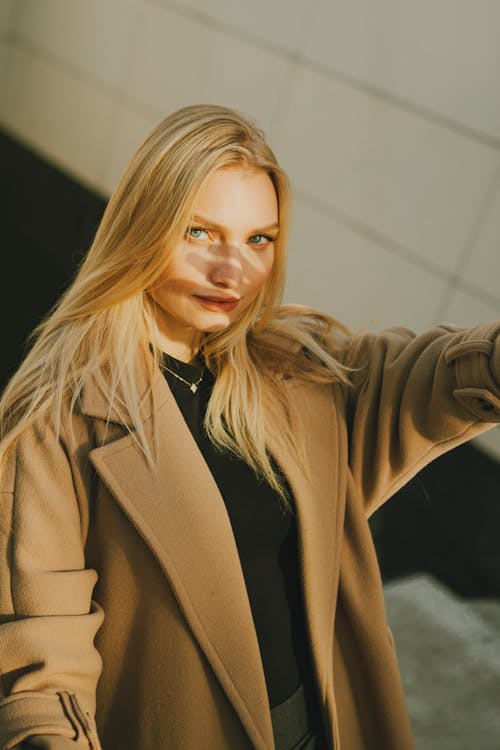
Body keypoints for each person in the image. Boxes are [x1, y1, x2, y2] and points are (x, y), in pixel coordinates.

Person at [0, 104, 498, 750]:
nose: (232, 272)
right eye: (201, 233)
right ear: (143, 228)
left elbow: (441, 374)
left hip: (321, 726)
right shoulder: (55, 420)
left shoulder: (290, 365)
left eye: (258, 239)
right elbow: (40, 667)